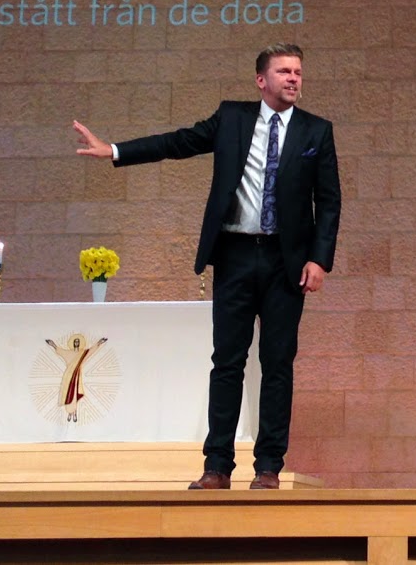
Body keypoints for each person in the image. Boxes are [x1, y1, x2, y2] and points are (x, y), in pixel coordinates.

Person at [72, 42, 341, 490]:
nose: (293, 78)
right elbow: (177, 142)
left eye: (297, 72)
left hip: (286, 261)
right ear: (261, 80)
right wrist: (115, 150)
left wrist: (319, 258)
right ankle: (217, 465)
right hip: (235, 255)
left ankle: (269, 466)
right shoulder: (232, 118)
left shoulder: (316, 131)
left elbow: (329, 201)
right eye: (283, 72)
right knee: (227, 362)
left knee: (277, 363)